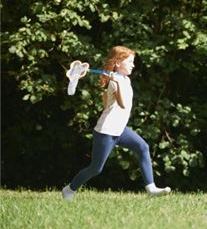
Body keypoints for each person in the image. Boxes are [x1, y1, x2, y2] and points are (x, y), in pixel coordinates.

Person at [62, 46, 171, 200]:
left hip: (120, 129)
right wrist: (115, 85)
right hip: (106, 131)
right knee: (96, 168)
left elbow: (106, 102)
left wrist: (115, 83)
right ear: (118, 63)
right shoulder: (116, 82)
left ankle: (151, 189)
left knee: (143, 148)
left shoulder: (124, 79)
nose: (133, 65)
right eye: (130, 61)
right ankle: (69, 190)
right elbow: (123, 104)